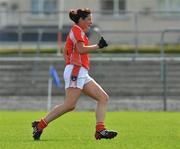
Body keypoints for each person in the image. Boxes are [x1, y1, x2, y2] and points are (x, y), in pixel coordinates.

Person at [32, 8, 118, 140]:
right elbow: (81, 49)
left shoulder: (79, 31)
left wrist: (70, 63)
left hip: (79, 71)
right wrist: (98, 46)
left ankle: (100, 130)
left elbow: (67, 52)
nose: (91, 22)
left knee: (103, 98)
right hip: (76, 70)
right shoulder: (77, 30)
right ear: (81, 20)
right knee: (70, 105)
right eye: (88, 19)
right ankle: (40, 125)